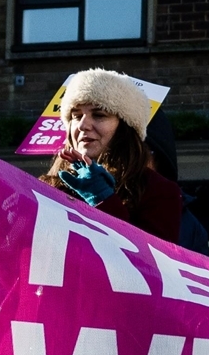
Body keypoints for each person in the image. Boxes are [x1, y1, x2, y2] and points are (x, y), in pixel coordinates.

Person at [40, 68, 182, 243]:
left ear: (125, 127)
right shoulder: (48, 186)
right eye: (76, 116)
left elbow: (150, 261)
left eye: (99, 115)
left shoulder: (158, 191)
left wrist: (103, 199)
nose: (83, 125)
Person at [145, 111, 209, 255]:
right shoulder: (92, 203)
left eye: (140, 155)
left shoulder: (189, 226)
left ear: (160, 161)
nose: (129, 163)